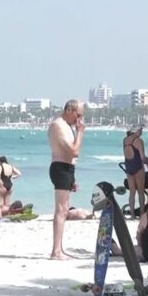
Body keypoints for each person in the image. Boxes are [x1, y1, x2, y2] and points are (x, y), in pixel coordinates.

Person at [48, 99, 85, 260]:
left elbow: (72, 156)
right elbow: (73, 152)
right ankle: (56, 251)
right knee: (61, 211)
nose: (79, 119)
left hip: (67, 169)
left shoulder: (67, 126)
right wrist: (81, 132)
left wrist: (73, 177)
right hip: (60, 168)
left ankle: (59, 249)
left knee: (64, 210)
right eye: (78, 115)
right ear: (69, 110)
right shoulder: (59, 125)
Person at [121, 125, 148, 219]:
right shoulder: (139, 141)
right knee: (141, 192)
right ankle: (142, 213)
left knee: (132, 193)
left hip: (129, 168)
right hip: (138, 167)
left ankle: (132, 214)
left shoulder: (125, 140)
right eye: (141, 130)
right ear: (136, 131)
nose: (141, 132)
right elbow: (142, 157)